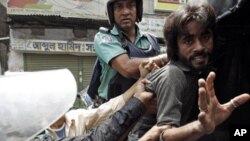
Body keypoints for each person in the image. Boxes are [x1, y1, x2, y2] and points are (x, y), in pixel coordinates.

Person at [130, 2, 250, 141]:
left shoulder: (199, 72)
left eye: (205, 37)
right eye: (188, 40)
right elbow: (163, 135)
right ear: (175, 47)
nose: (199, 47)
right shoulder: (173, 75)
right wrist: (201, 127)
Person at [33, 60, 161, 140]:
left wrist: (140, 81)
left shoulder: (76, 118)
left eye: (59, 99)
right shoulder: (37, 133)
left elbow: (109, 109)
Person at [90, 0, 168, 103]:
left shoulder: (151, 41)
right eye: (119, 6)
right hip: (112, 111)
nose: (125, 12)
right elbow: (127, 68)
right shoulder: (104, 38)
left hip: (144, 109)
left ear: (138, 10)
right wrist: (166, 58)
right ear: (111, 12)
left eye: (131, 5)